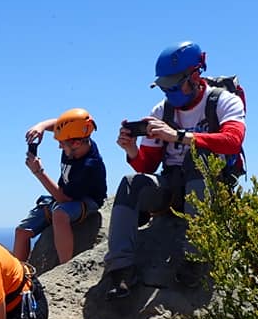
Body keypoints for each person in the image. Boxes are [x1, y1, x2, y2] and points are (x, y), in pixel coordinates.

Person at [103, 41, 246, 299]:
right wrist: (132, 150)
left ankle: (196, 256)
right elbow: (147, 166)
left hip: (210, 189)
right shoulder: (162, 111)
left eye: (174, 85)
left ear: (195, 75)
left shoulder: (223, 101)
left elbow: (232, 140)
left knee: (198, 156)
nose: (169, 92)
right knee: (131, 183)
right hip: (173, 189)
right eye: (164, 87)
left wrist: (178, 136)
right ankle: (121, 270)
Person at [14, 108, 107, 264]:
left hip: (86, 201)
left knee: (59, 214)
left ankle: (64, 266)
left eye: (61, 143)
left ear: (76, 143)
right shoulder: (78, 141)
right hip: (63, 196)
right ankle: (17, 272)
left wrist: (38, 172)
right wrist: (41, 127)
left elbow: (64, 199)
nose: (59, 147)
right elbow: (59, 125)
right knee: (22, 231)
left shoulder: (89, 165)